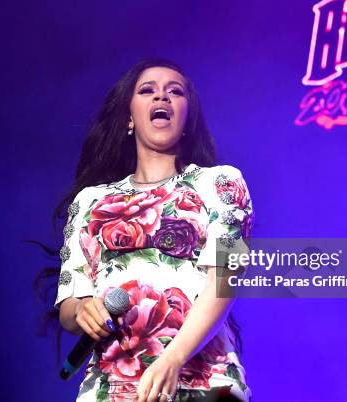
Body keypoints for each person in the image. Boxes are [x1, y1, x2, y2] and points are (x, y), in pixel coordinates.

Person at [53, 58, 255, 402]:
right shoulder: (89, 202)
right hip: (110, 387)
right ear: (129, 118)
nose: (162, 97)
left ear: (187, 118)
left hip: (202, 383)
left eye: (175, 92)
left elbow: (226, 281)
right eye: (148, 91)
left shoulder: (221, 183)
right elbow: (70, 304)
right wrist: (83, 310)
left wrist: (173, 359)